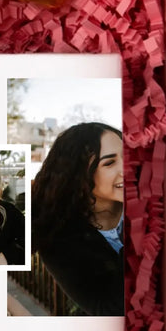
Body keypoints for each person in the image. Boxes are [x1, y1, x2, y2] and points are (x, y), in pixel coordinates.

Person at [31, 123, 125, 316]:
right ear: (78, 174)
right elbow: (107, 308)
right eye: (109, 163)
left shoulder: (158, 201)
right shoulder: (58, 237)